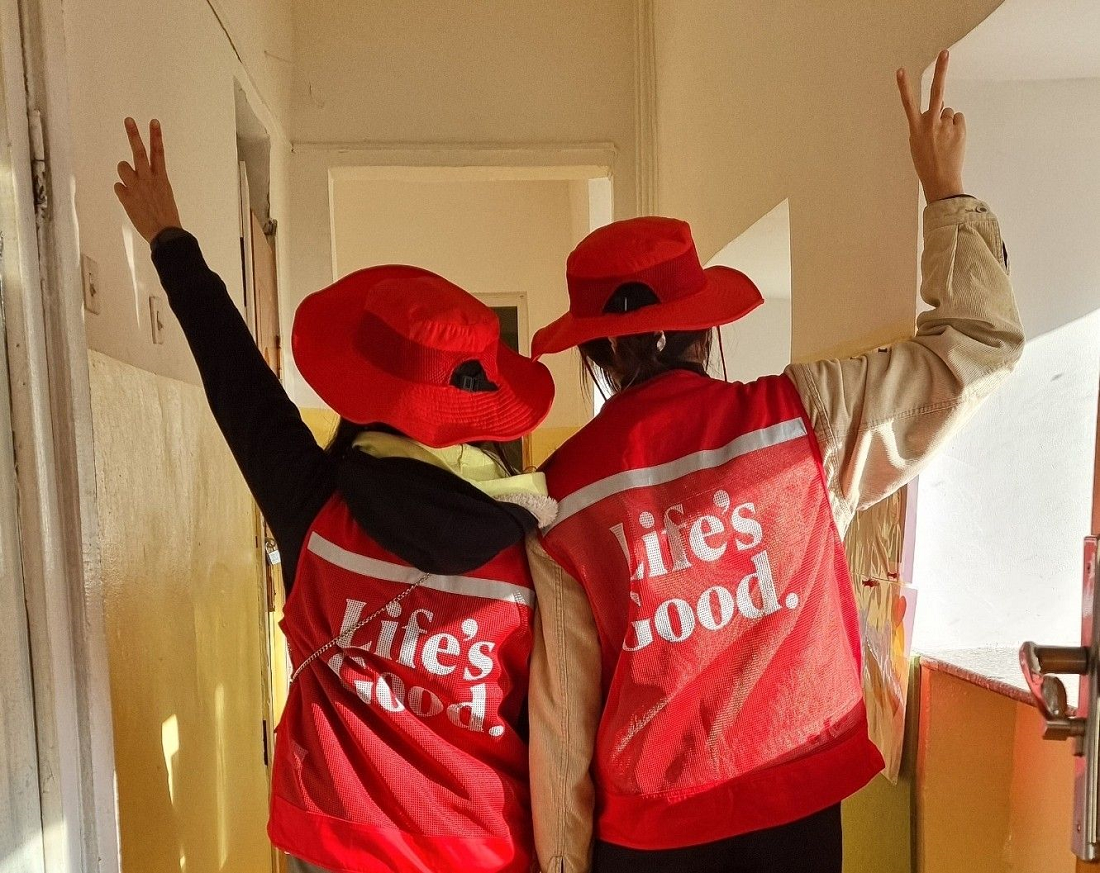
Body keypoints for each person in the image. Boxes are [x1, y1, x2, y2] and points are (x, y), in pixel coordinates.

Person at [525, 51, 1023, 873]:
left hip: (647, 836)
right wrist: (945, 191)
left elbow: (564, 722)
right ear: (701, 324)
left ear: (600, 354)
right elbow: (977, 351)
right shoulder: (800, 418)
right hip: (795, 810)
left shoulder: (565, 495)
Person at [114, 118, 557, 873]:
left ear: (362, 391)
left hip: (334, 840)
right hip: (483, 847)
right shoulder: (534, 545)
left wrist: (172, 242)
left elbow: (241, 388)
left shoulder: (316, 507)